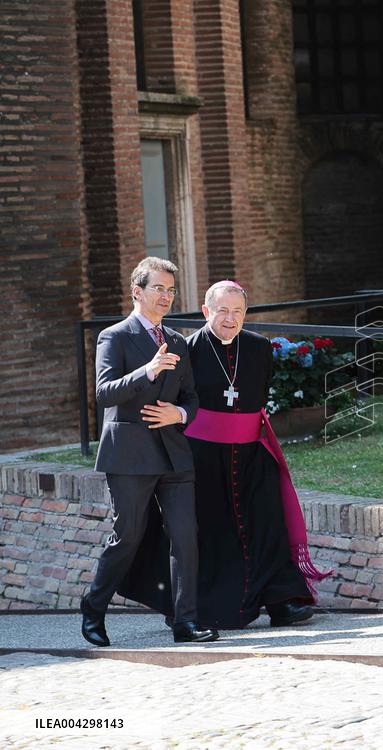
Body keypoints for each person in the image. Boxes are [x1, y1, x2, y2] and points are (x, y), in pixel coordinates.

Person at [122, 280, 329, 629]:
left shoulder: (259, 347)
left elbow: (257, 397)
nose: (230, 319)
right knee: (210, 533)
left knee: (268, 526)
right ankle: (200, 607)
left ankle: (282, 601)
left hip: (252, 454)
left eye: (237, 312)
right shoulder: (186, 350)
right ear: (206, 311)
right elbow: (172, 401)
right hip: (202, 457)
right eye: (222, 311)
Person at [80, 257, 219, 646]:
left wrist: (180, 413)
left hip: (174, 454)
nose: (166, 296)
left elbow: (191, 397)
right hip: (129, 454)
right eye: (158, 288)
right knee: (127, 535)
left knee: (185, 537)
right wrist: (149, 370)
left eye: (171, 290)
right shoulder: (114, 337)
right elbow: (104, 392)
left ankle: (185, 622)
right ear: (137, 291)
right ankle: (94, 606)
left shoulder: (177, 341)